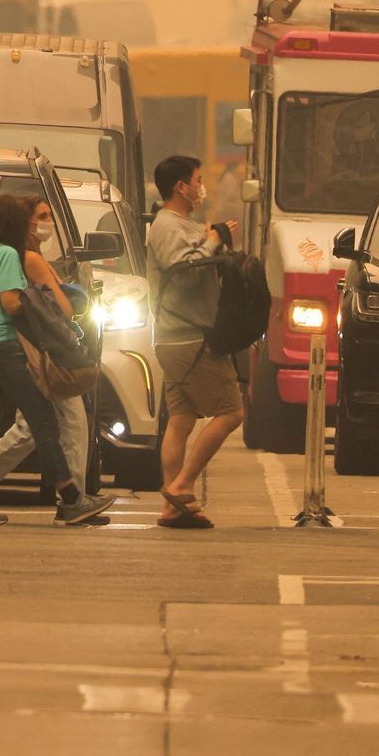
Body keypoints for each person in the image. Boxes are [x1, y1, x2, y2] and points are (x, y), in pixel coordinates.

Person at [0, 194, 114, 527]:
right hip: (8, 349)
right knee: (44, 423)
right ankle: (70, 498)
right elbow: (11, 303)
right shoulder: (9, 254)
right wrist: (40, 303)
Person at [146, 154, 240, 530]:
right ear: (180, 187)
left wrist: (211, 237)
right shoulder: (167, 225)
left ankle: (172, 505)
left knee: (182, 419)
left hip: (178, 335)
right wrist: (213, 241)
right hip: (189, 336)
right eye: (198, 180)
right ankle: (183, 484)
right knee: (232, 412)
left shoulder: (179, 223)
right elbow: (181, 272)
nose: (201, 187)